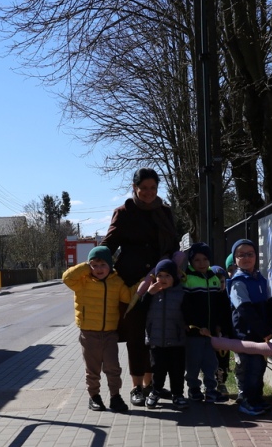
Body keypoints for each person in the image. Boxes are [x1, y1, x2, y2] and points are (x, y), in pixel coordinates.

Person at [102, 168, 178, 406]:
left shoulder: (165, 212)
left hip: (160, 281)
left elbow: (174, 245)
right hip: (132, 285)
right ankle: (136, 388)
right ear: (134, 187)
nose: (148, 192)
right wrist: (94, 266)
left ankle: (151, 386)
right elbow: (109, 244)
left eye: (152, 188)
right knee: (136, 336)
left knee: (155, 335)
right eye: (143, 188)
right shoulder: (124, 212)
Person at [62, 246, 134, 412]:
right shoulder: (82, 282)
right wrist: (86, 266)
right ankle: (94, 397)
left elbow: (128, 296)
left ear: (110, 265)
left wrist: (141, 284)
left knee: (113, 368)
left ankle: (115, 397)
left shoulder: (116, 282)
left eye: (103, 265)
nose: (98, 269)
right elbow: (66, 278)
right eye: (94, 265)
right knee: (92, 369)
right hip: (89, 334)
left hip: (109, 334)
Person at [228, 238, 272, 416]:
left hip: (260, 334)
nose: (246, 258)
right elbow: (245, 310)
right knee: (248, 367)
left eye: (250, 254)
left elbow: (268, 302)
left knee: (259, 366)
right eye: (241, 254)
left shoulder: (260, 279)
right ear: (235, 259)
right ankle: (247, 400)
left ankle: (257, 398)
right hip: (246, 334)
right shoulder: (238, 282)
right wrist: (264, 331)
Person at [181, 243, 228, 403]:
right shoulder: (187, 279)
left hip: (211, 333)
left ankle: (211, 389)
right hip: (194, 332)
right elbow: (186, 306)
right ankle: (193, 388)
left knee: (211, 362)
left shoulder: (214, 278)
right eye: (197, 260)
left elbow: (219, 306)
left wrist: (218, 325)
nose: (201, 263)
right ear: (191, 262)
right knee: (193, 363)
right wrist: (195, 325)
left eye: (205, 259)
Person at [143, 259, 188, 408]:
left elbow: (188, 313)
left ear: (174, 277)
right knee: (158, 369)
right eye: (160, 275)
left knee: (177, 370)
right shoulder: (152, 293)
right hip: (156, 340)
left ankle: (178, 394)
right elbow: (141, 311)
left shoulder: (181, 293)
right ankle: (155, 391)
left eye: (167, 276)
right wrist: (149, 294)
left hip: (176, 340)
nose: (162, 279)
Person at [211, 263, 233, 397]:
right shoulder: (209, 297)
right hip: (212, 335)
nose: (220, 284)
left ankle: (221, 383)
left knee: (223, 361)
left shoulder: (227, 297)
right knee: (210, 361)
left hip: (224, 336)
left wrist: (226, 332)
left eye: (222, 281)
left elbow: (228, 316)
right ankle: (209, 384)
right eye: (216, 281)